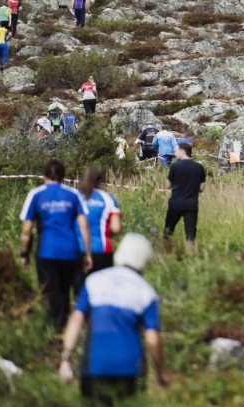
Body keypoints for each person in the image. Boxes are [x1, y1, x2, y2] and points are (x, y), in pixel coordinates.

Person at [58, 233, 167, 404]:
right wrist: (159, 376)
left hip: (94, 365)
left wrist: (66, 358)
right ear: (146, 261)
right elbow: (153, 340)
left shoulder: (94, 281)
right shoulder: (146, 292)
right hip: (131, 368)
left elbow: (76, 320)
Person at [20, 159, 92, 332]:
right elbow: (84, 225)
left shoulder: (36, 194)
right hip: (71, 251)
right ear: (64, 176)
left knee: (48, 291)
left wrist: (24, 253)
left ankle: (52, 329)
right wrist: (87, 253)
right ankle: (63, 327)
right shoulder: (74, 194)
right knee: (65, 291)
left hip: (46, 251)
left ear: (44, 175)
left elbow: (27, 228)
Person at [77, 166, 122, 274]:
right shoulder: (108, 198)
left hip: (77, 249)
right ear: (100, 181)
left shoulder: (76, 196)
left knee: (80, 288)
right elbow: (116, 228)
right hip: (102, 250)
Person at [163, 142, 206, 245]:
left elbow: (168, 185)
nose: (174, 154)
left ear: (182, 151)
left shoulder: (175, 166)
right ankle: (191, 254)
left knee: (168, 231)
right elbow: (201, 188)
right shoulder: (199, 167)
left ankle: (167, 251)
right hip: (191, 204)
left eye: (176, 151)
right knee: (190, 234)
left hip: (175, 203)